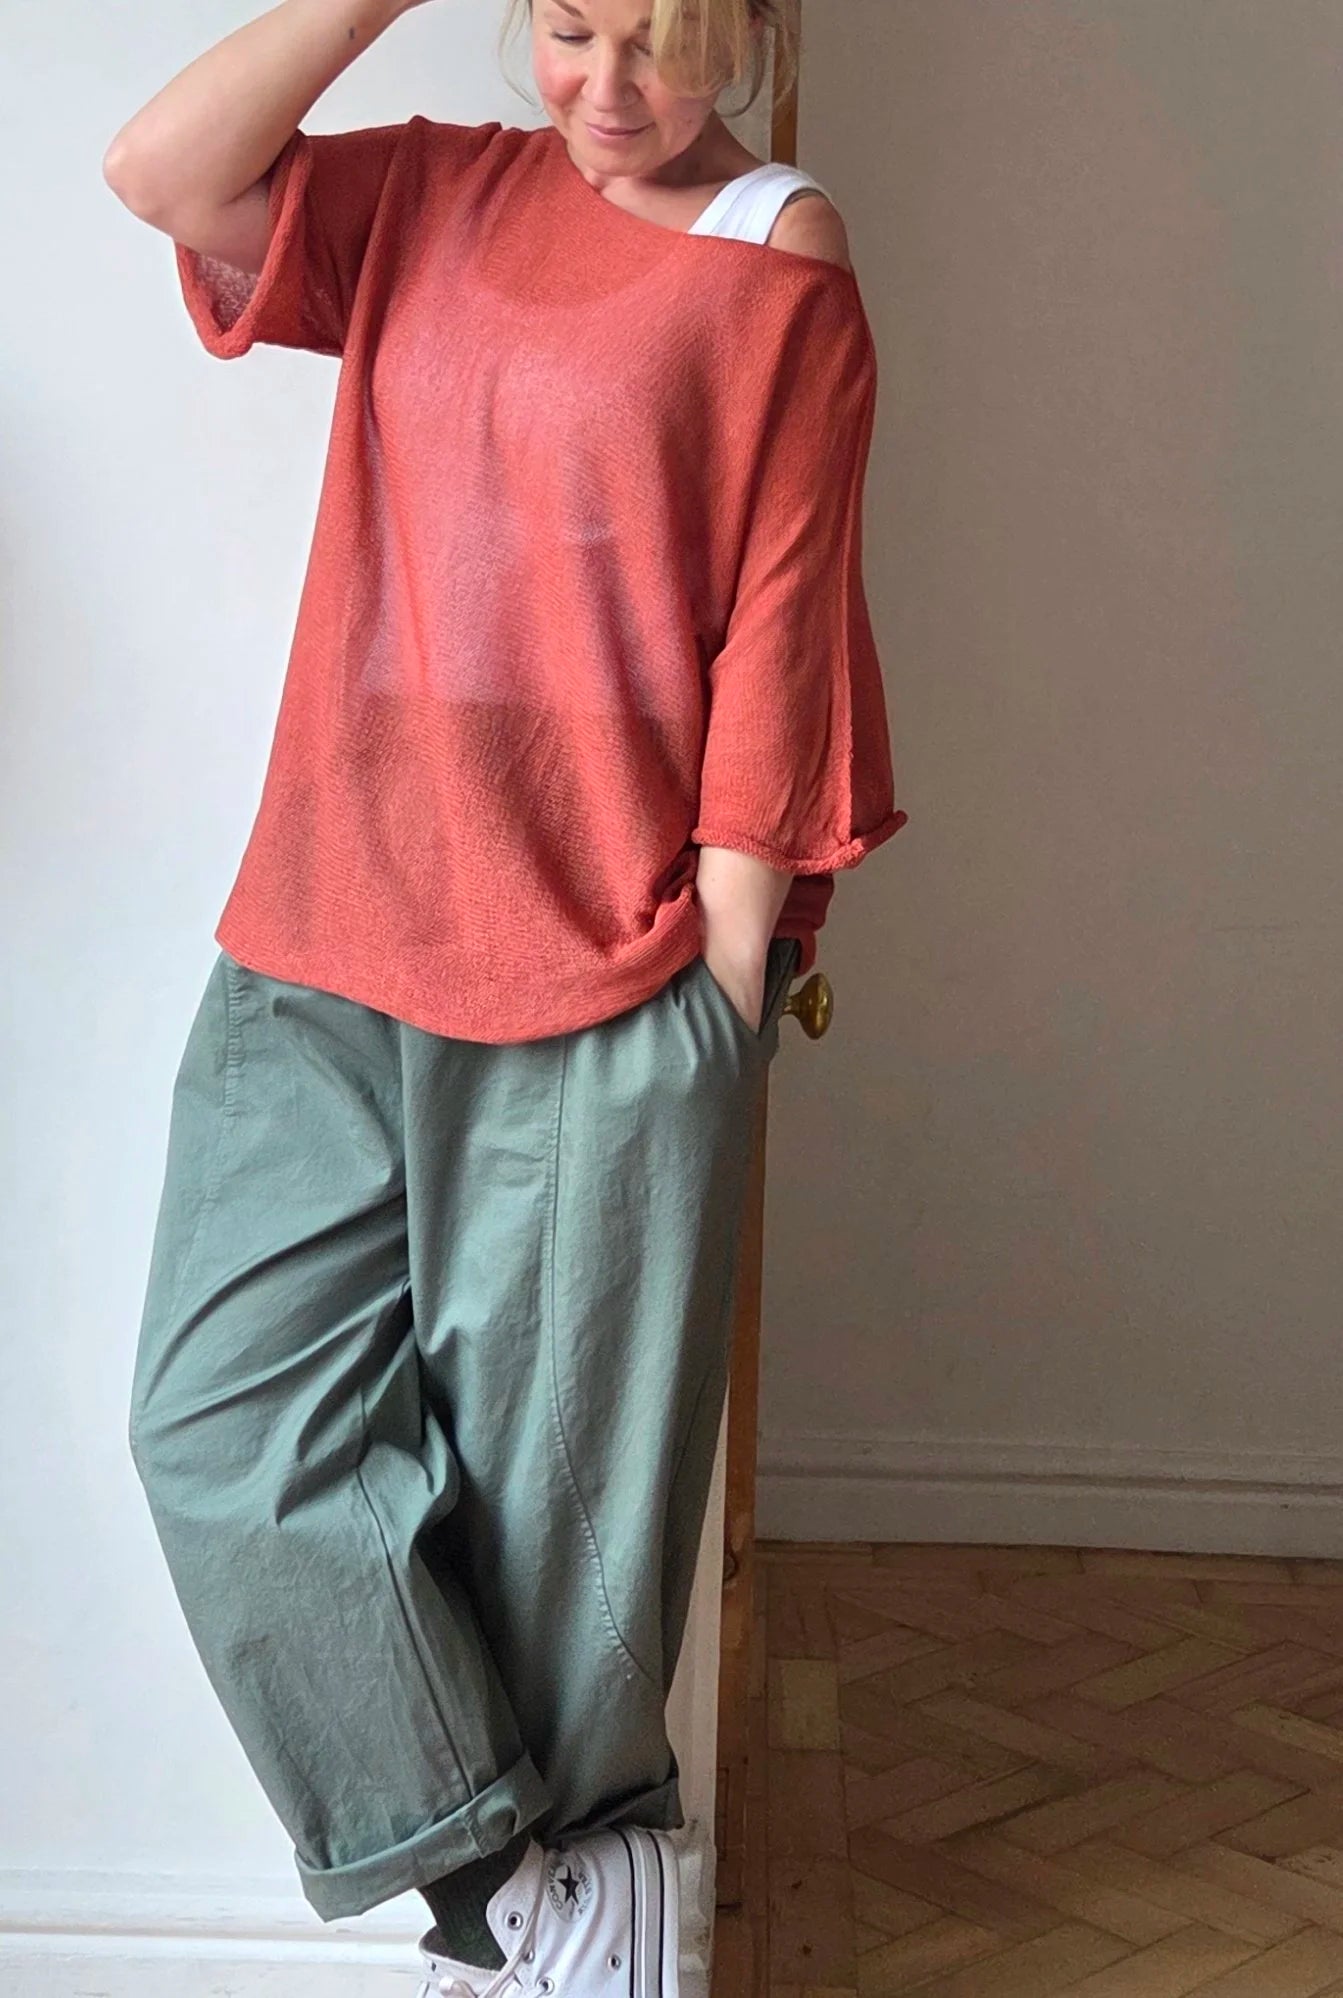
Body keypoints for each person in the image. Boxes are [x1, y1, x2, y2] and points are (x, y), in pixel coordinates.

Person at [105, 0, 906, 1989]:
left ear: (744, 35)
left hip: (603, 959)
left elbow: (786, 611)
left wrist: (725, 982)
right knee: (218, 1424)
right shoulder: (434, 197)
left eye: (661, 43)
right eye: (567, 29)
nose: (608, 91)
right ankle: (529, 1897)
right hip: (324, 930)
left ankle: (561, 1929)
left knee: (555, 1527)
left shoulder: (776, 252)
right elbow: (160, 173)